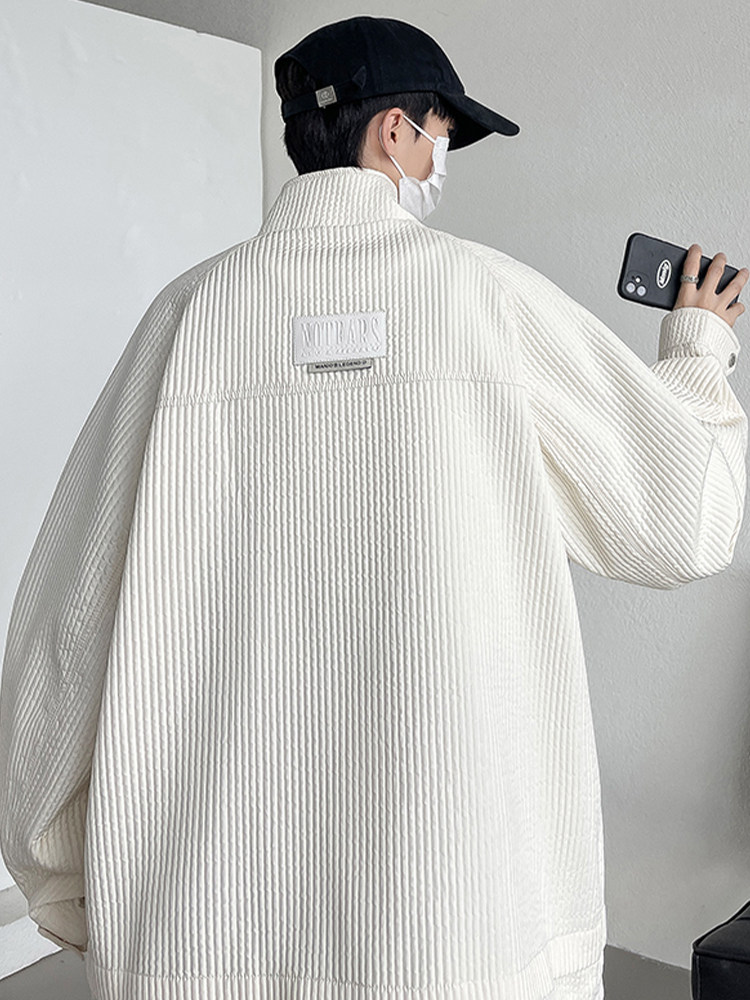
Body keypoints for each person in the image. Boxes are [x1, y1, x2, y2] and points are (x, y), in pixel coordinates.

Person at [0, 14, 746, 1000]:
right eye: (443, 132)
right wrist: (698, 349)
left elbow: (60, 640)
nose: (442, 158)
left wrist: (75, 887)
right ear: (395, 130)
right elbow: (684, 515)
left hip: (203, 929)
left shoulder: (185, 318)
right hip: (459, 936)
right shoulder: (488, 300)